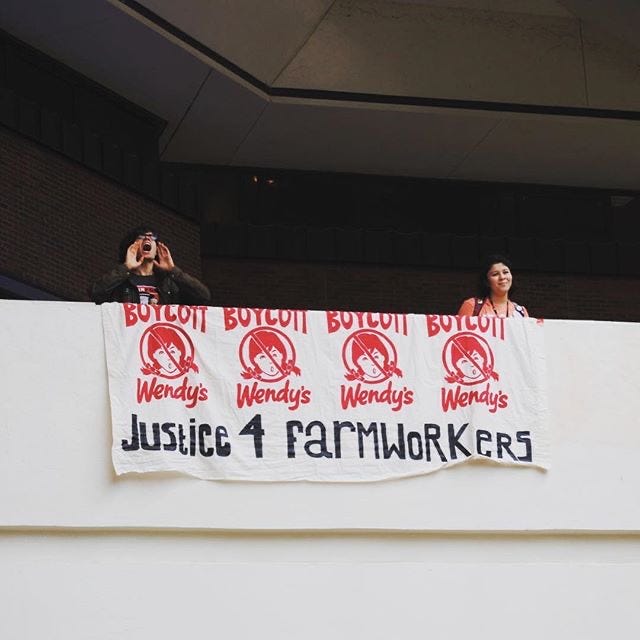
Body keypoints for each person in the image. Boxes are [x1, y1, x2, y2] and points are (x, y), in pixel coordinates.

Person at [90, 225, 210, 305]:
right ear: (132, 247)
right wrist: (125, 268)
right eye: (141, 237)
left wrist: (173, 271)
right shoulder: (121, 281)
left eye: (152, 237)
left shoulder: (167, 282)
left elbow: (203, 296)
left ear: (157, 249)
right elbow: (95, 293)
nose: (147, 238)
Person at [457, 254, 528, 317]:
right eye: (495, 274)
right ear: (486, 281)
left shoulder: (521, 312)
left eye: (505, 272)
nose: (502, 277)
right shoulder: (472, 306)